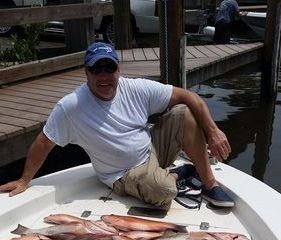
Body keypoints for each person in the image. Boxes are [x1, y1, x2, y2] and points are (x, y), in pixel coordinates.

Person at [0, 42, 234, 209]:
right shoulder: (71, 107)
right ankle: (173, 175)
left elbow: (189, 96)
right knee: (165, 192)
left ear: (118, 70)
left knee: (185, 112)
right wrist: (24, 180)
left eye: (109, 68)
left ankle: (209, 183)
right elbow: (44, 142)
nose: (104, 76)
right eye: (96, 69)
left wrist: (213, 131)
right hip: (122, 173)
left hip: (150, 149)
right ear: (86, 72)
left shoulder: (134, 88)